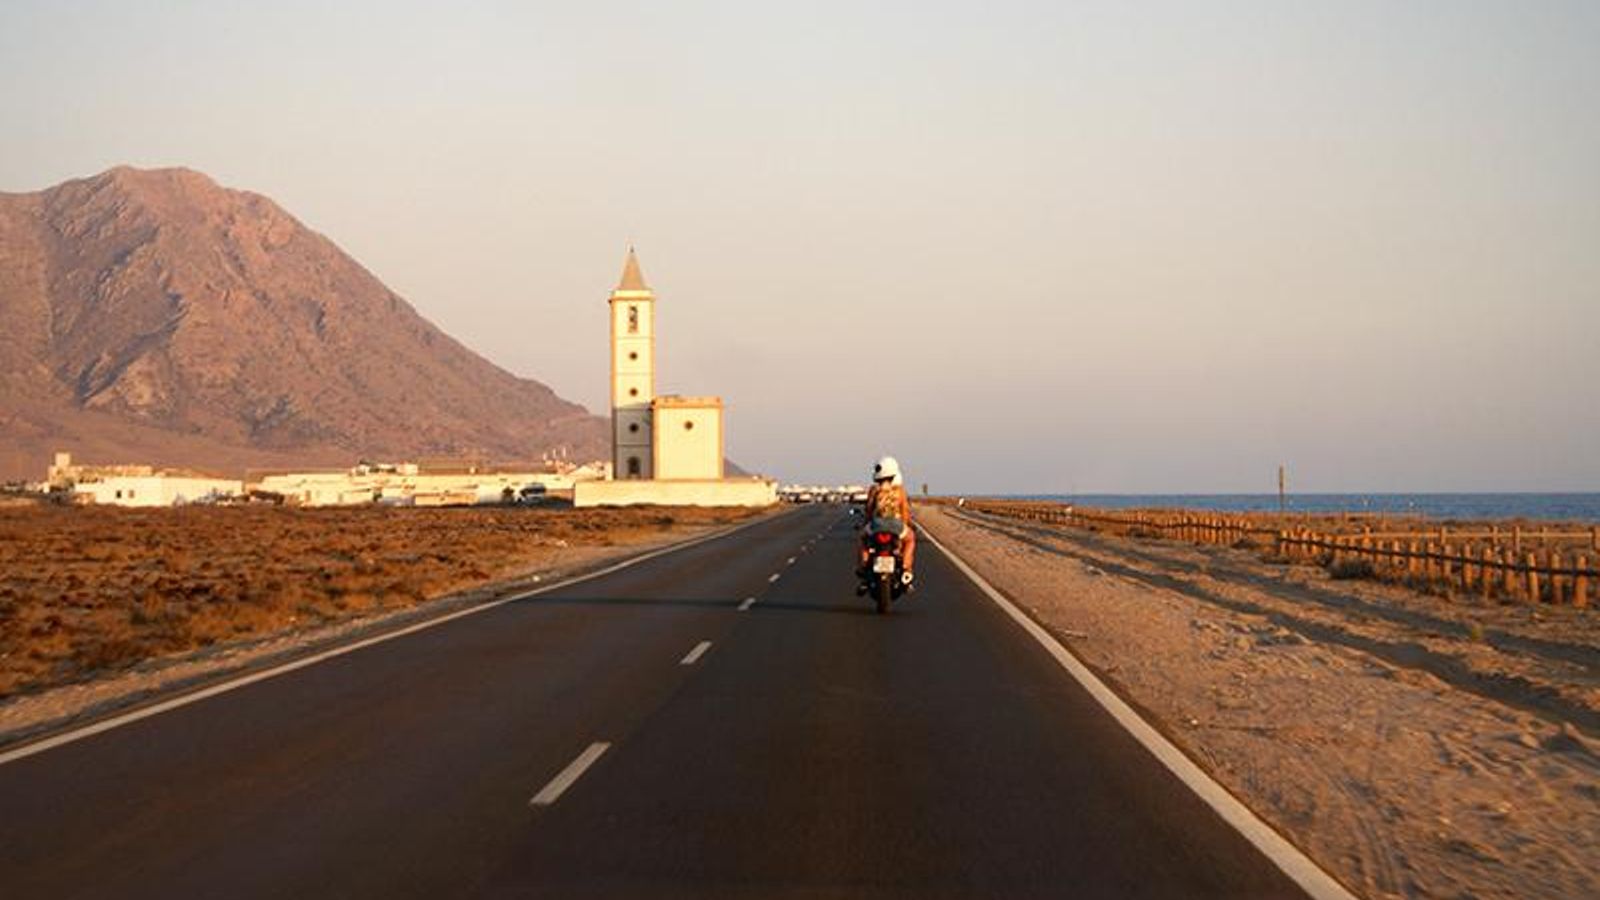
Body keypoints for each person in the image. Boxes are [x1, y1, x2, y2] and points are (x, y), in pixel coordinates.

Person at [859, 455, 916, 583]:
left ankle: (863, 565)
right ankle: (906, 568)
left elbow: (869, 510)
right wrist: (906, 525)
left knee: (862, 538)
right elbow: (904, 510)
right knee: (911, 540)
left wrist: (866, 524)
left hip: (877, 525)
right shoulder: (899, 491)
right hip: (896, 525)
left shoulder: (874, 490)